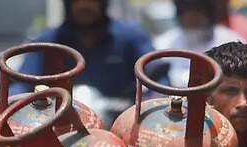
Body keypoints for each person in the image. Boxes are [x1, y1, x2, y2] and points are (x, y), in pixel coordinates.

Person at [10, 0, 156, 98]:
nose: (84, 5)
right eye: (77, 0)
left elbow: (156, 76)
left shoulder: (131, 36)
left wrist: (151, 100)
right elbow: (22, 85)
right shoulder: (47, 41)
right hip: (59, 125)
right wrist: (13, 100)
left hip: (118, 127)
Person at [154, 0, 244, 86]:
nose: (192, 19)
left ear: (208, 14)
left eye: (197, 14)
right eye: (188, 14)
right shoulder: (164, 43)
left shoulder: (229, 40)